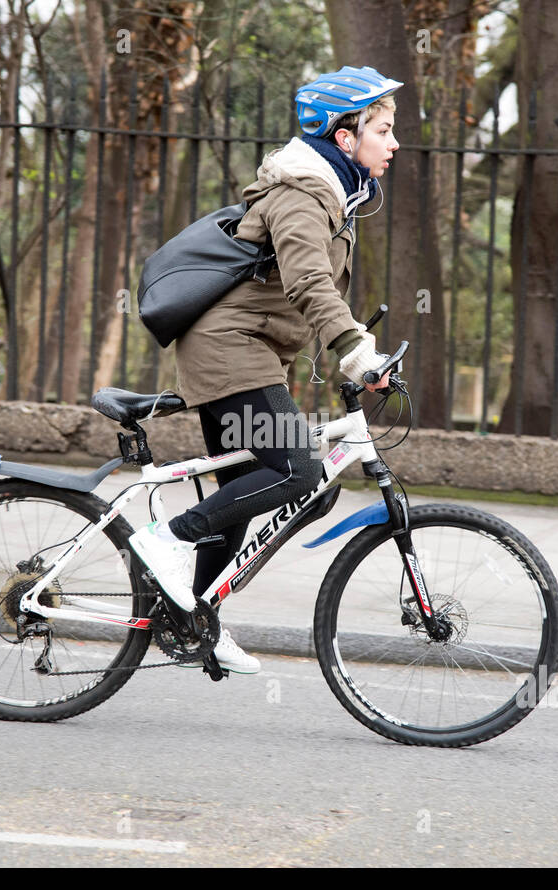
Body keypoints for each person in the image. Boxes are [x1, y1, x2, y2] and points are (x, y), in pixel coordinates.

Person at [129, 66, 402, 674]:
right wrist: (356, 349)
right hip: (230, 353)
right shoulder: (304, 194)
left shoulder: (330, 193)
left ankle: (195, 616)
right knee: (302, 472)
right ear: (344, 137)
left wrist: (352, 356)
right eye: (382, 130)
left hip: (249, 356)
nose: (394, 143)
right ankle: (168, 541)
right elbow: (308, 281)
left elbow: (303, 291)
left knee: (264, 492)